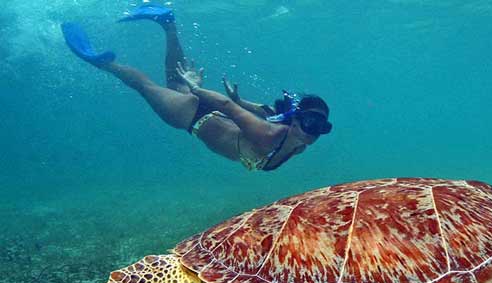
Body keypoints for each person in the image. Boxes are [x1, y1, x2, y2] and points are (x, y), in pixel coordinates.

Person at [61, 4, 332, 171]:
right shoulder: (269, 134)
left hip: (203, 113)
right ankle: (101, 62)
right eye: (310, 122)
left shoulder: (297, 143)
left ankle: (167, 22)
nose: (313, 132)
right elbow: (227, 106)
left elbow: (265, 109)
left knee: (173, 82)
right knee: (144, 86)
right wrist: (196, 89)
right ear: (296, 120)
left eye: (320, 127)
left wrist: (241, 100)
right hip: (192, 116)